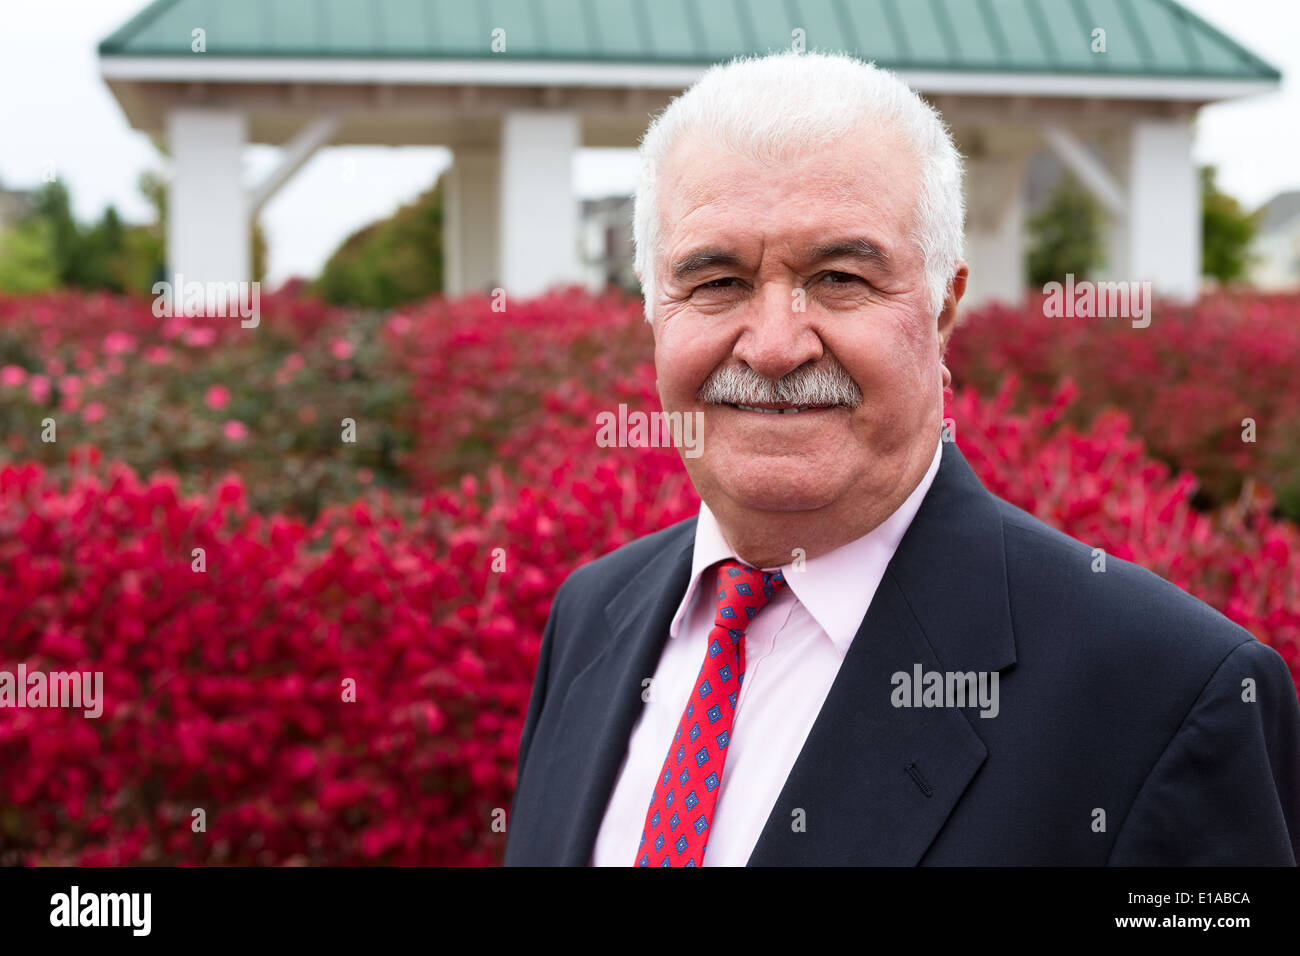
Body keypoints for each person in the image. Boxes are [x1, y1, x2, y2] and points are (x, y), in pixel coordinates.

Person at [503, 51, 1300, 866]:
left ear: (944, 308)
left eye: (841, 276)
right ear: (651, 310)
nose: (776, 346)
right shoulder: (591, 618)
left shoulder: (1168, 695)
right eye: (717, 283)